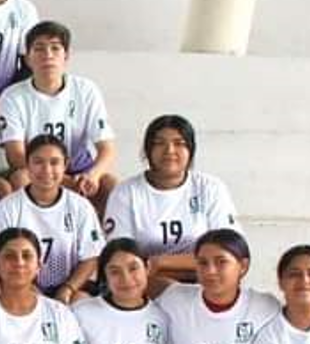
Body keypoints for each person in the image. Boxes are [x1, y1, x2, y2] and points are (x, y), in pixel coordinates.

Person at [102, 114, 239, 290]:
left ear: (191, 150)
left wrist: (159, 262)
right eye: (159, 143)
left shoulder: (210, 188)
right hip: (143, 283)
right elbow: (122, 258)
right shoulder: (126, 193)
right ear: (147, 150)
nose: (169, 150)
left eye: (179, 143)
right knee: (171, 291)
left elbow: (230, 249)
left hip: (204, 277)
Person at [0, 21, 118, 208]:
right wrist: (62, 179)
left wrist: (93, 175)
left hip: (79, 169)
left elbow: (107, 149)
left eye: (55, 48)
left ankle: (99, 237)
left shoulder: (86, 89)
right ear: (28, 59)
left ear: (66, 56)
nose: (48, 55)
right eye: (39, 49)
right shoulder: (13, 96)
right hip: (37, 169)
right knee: (21, 177)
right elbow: (16, 156)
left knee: (109, 183)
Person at [0, 135, 103, 301]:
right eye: (38, 162)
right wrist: (25, 285)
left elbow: (91, 257)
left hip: (70, 286)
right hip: (21, 283)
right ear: (27, 165)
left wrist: (68, 289)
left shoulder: (80, 206)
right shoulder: (8, 206)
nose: (47, 170)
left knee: (82, 302)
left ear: (65, 165)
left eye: (54, 162)